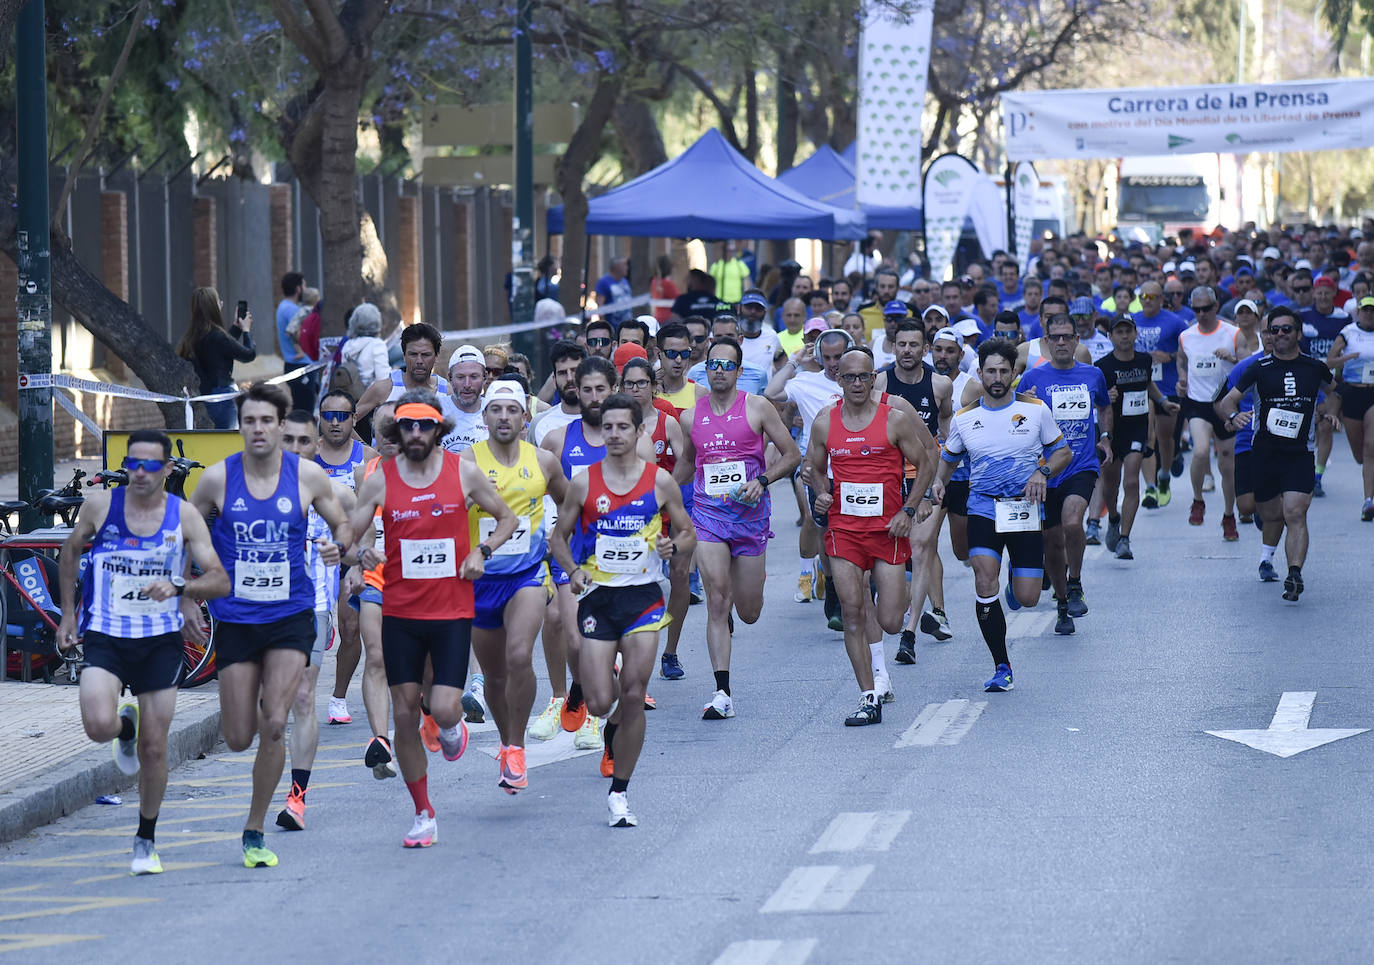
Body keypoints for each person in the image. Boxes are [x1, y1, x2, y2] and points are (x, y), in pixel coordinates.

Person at [190, 383, 353, 868]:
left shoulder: (307, 478)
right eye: (249, 422)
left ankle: (255, 827)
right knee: (239, 735)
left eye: (266, 421)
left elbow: (342, 524)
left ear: (282, 426)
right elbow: (184, 531)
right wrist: (183, 599)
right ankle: (258, 791)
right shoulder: (217, 480)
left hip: (290, 615)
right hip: (238, 618)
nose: (258, 429)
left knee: (277, 722)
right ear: (239, 427)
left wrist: (337, 547)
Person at [348, 389, 517, 846]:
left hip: (451, 609)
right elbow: (352, 533)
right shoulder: (381, 478)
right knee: (404, 712)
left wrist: (483, 550)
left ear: (439, 427)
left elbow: (506, 518)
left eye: (425, 425)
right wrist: (357, 555)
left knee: (443, 705)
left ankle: (446, 723)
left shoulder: (462, 472)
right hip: (400, 610)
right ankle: (423, 812)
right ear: (396, 431)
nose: (417, 433)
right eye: (408, 425)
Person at [57, 429, 229, 875]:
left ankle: (145, 838)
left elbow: (218, 578)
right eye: (133, 463)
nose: (139, 472)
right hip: (107, 636)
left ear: (167, 469)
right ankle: (122, 728)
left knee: (155, 750)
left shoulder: (185, 516)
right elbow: (70, 550)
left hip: (159, 641)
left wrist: (182, 589)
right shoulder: (101, 506)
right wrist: (69, 615)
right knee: (97, 725)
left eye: (150, 465)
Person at [550, 394, 696, 827]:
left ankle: (620, 792)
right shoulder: (584, 483)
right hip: (598, 598)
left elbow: (687, 533)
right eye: (608, 427)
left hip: (643, 599)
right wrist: (573, 570)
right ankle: (605, 716)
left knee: (634, 691)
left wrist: (674, 546)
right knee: (600, 702)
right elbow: (559, 537)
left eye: (623, 427)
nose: (614, 434)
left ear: (639, 431)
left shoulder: (659, 482)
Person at [934, 338, 1071, 692]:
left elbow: (1063, 453)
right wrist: (936, 485)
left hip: (1024, 510)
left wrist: (1042, 471)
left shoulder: (1037, 410)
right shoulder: (966, 419)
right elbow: (948, 459)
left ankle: (1016, 585)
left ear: (1014, 374)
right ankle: (1001, 665)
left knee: (1027, 598)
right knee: (983, 580)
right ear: (979, 373)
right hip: (983, 507)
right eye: (990, 371)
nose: (996, 377)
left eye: (1003, 371)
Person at [674, 337, 800, 720]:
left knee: (749, 611)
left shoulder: (758, 407)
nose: (720, 370)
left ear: (740, 372)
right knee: (715, 599)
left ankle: (732, 608)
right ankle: (722, 692)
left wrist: (762, 481)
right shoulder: (690, 416)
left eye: (728, 365)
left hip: (750, 518)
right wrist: (652, 496)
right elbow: (687, 465)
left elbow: (792, 454)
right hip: (708, 517)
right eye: (713, 364)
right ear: (705, 368)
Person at [808, 348, 936, 725]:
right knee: (851, 612)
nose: (858, 384)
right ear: (839, 380)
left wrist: (909, 510)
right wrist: (821, 492)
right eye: (850, 378)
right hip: (844, 531)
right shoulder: (824, 422)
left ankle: (898, 614)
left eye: (865, 376)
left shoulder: (893, 420)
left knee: (892, 621)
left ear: (874, 377)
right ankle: (868, 696)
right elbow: (811, 467)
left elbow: (926, 464)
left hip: (887, 530)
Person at [537, 356, 656, 748]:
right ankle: (581, 692)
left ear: (613, 390)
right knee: (573, 638)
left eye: (599, 389)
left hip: (623, 560)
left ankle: (600, 712)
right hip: (575, 554)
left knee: (614, 651)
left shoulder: (636, 442)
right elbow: (552, 496)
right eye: (584, 389)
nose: (591, 396)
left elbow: (649, 497)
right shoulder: (556, 439)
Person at [463, 380, 568, 793]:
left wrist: (571, 552)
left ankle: (519, 747)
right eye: (495, 410)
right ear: (484, 417)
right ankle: (507, 743)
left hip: (527, 575)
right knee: (494, 675)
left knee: (520, 654)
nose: (503, 417)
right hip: (481, 581)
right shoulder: (466, 463)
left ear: (525, 418)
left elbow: (569, 503)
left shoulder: (543, 461)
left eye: (512, 410)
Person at [1216, 307, 1338, 603]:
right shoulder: (1258, 367)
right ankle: (1270, 541)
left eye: (1286, 329)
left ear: (1298, 333)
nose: (1280, 334)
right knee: (1270, 514)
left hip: (1300, 453)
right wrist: (1233, 417)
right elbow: (1227, 401)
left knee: (1295, 512)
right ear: (1268, 334)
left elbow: (1334, 391)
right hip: (1265, 454)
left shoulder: (1314, 367)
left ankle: (1294, 573)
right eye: (1274, 330)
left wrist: (1331, 414)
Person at [276, 410, 356, 831]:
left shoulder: (331, 491)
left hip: (311, 607)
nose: (294, 449)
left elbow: (359, 529)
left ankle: (297, 799)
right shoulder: (244, 487)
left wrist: (345, 554)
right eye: (286, 439)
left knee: (305, 699)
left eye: (303, 441)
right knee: (265, 713)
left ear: (316, 446)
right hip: (258, 611)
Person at [1017, 314, 1113, 636]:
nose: (1061, 342)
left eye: (1066, 337)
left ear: (1076, 341)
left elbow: (1104, 406)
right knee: (1051, 541)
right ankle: (1061, 602)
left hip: (1080, 465)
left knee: (1073, 521)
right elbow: (1016, 418)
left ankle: (1075, 584)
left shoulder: (1092, 374)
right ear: (1046, 341)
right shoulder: (1033, 377)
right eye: (1054, 337)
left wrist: (1105, 437)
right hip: (1044, 472)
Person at [875, 322, 954, 655]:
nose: (907, 350)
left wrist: (935, 479)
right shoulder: (879, 381)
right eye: (901, 344)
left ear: (925, 349)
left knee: (921, 547)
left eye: (914, 345)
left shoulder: (940, 383)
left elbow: (944, 428)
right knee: (889, 548)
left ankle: (909, 633)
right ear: (893, 348)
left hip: (922, 476)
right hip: (884, 477)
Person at [311, 389, 376, 727]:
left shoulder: (368, 457)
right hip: (310, 554)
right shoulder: (307, 456)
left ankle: (338, 698)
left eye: (342, 416)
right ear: (319, 419)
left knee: (351, 629)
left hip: (349, 554)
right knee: (309, 632)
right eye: (328, 416)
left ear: (354, 420)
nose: (335, 423)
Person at [1097, 315, 1176, 560]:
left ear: (1135, 334)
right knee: (1111, 485)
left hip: (1137, 428)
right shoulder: (1102, 366)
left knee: (1131, 482)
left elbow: (1148, 384)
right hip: (1112, 430)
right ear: (1110, 336)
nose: (1124, 336)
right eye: (1118, 332)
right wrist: (1104, 397)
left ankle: (1124, 538)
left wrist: (1163, 401)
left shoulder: (1144, 360)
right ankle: (1113, 517)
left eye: (1127, 331)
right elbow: (1096, 401)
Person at [1177, 288, 1241, 538]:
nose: (1201, 314)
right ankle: (1197, 500)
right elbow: (1181, 359)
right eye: (1196, 309)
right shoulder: (1186, 335)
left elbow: (1248, 364)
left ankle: (1228, 515)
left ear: (1216, 306)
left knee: (1227, 463)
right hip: (1197, 402)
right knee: (1201, 451)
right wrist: (1182, 379)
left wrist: (1233, 357)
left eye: (1206, 308)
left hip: (1225, 403)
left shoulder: (1232, 333)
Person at [1134, 281, 1189, 509]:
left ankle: (1164, 475)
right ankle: (1150, 486)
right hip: (1141, 386)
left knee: (1165, 438)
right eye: (1144, 296)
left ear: (1160, 299)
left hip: (1167, 386)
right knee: (1148, 436)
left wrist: (1170, 356)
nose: (1148, 300)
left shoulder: (1174, 322)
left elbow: (1187, 350)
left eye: (1153, 296)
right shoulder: (1132, 319)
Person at [177, 287, 256, 430]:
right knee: (227, 438)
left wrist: (236, 327)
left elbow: (222, 348)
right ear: (213, 307)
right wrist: (246, 331)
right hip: (223, 396)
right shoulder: (217, 336)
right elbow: (248, 354)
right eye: (219, 301)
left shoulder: (191, 336)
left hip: (205, 397)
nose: (221, 303)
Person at [1326, 296, 1374, 520]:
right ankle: (1369, 477)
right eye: (1366, 310)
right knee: (1359, 455)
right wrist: (1348, 357)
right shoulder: (1348, 332)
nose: (1369, 314)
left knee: (1370, 446)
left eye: (1373, 310)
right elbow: (1329, 362)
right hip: (1353, 392)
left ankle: (1368, 501)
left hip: (1373, 391)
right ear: (1359, 311)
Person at [1300, 276, 1348, 496]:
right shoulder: (1303, 317)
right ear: (1313, 293)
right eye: (1319, 292)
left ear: (1334, 292)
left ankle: (1317, 476)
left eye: (1327, 292)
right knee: (1306, 429)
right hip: (1307, 380)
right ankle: (1302, 470)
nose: (1323, 296)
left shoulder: (1343, 318)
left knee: (1326, 426)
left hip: (1331, 381)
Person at [355, 323, 456, 427]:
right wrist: (360, 444)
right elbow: (344, 423)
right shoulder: (383, 389)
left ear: (436, 357)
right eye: (413, 354)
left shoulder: (449, 393)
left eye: (426, 355)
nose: (419, 361)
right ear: (404, 356)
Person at [686, 315, 771, 394]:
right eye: (719, 337)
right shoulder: (695, 373)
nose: (724, 342)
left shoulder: (758, 373)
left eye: (729, 336)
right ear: (711, 341)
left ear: (740, 340)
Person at [530, 341, 588, 445]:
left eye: (575, 370)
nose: (569, 378)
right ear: (554, 379)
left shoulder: (604, 419)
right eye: (562, 373)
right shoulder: (539, 422)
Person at [275, 271, 315, 413]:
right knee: (305, 411)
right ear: (298, 288)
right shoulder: (293, 310)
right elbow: (297, 334)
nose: (306, 288)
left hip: (294, 364)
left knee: (300, 407)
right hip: (301, 365)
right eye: (304, 285)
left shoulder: (283, 306)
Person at [443, 346, 491, 455]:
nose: (467, 385)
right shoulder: (436, 410)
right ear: (450, 377)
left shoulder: (495, 411)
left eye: (474, 377)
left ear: (485, 377)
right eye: (460, 377)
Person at [338, 303, 391, 392]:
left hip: (350, 396)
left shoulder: (348, 344)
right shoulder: (377, 344)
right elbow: (383, 377)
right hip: (371, 398)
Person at [737, 290, 781, 372]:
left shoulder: (772, 336)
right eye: (749, 307)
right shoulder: (725, 335)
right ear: (739, 309)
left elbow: (782, 363)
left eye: (758, 308)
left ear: (765, 312)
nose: (753, 311)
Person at [595, 256, 633, 325]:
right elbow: (600, 306)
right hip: (613, 326)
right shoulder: (603, 282)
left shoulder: (625, 281)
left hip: (626, 325)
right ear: (616, 267)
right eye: (624, 265)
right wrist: (604, 326)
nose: (627, 268)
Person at [650, 254, 679, 325]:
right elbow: (678, 298)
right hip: (668, 318)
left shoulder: (654, 281)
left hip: (657, 316)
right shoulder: (667, 283)